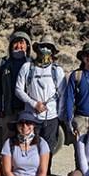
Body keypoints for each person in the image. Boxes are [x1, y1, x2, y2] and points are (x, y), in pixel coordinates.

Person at [15, 36, 66, 169]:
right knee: (30, 149)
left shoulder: (57, 71)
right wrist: (34, 104)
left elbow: (63, 94)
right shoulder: (27, 67)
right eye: (42, 46)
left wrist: (59, 116)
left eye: (49, 47)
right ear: (37, 49)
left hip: (51, 118)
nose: (45, 50)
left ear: (53, 51)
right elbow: (18, 90)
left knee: (48, 151)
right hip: (31, 117)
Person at [0, 30, 32, 135]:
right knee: (8, 138)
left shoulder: (33, 63)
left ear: (27, 45)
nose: (19, 46)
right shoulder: (3, 63)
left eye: (22, 43)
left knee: (28, 139)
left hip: (28, 108)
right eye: (16, 43)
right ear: (10, 45)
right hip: (9, 110)